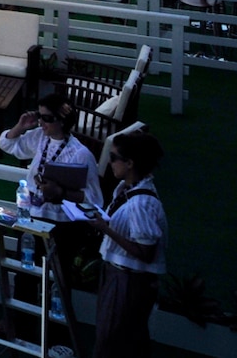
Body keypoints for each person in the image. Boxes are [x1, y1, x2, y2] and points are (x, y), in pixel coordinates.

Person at [91, 130, 166, 358]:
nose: (110, 163)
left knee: (110, 341)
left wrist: (107, 230)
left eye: (114, 158)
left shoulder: (140, 203)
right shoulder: (130, 190)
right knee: (130, 340)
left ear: (130, 163)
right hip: (122, 277)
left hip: (128, 280)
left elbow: (145, 252)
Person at [0, 93, 98, 210]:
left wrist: (60, 192)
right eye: (39, 116)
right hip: (30, 207)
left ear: (62, 121)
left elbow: (93, 198)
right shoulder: (40, 137)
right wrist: (21, 127)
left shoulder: (81, 154)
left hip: (58, 215)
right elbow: (7, 144)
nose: (41, 122)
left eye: (47, 118)